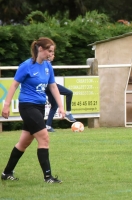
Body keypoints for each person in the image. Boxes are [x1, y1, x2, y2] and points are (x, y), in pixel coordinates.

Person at [1, 37, 65, 183]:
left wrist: (61, 106)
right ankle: (48, 177)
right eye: (49, 51)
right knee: (44, 138)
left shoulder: (48, 66)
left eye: (52, 51)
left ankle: (6, 173)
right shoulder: (26, 66)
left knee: (23, 143)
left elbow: (53, 86)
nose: (51, 54)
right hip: (28, 106)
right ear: (40, 49)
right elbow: (14, 85)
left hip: (39, 107)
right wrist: (6, 105)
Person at [45, 52, 76, 132]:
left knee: (54, 106)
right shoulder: (46, 63)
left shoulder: (45, 63)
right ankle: (68, 113)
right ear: (48, 56)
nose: (54, 56)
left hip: (46, 87)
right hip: (50, 86)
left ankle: (48, 126)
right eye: (52, 54)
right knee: (69, 93)